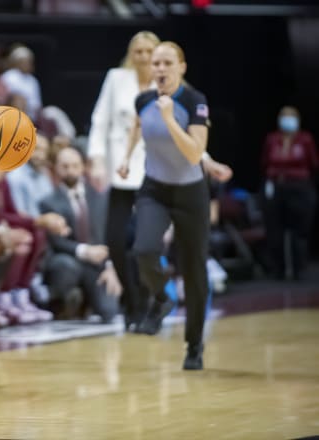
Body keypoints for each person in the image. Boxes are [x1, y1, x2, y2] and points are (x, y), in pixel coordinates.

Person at [117, 41, 211, 371]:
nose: (159, 68)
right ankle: (162, 297)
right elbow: (138, 127)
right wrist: (127, 158)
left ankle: (194, 345)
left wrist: (170, 118)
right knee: (143, 249)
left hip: (191, 194)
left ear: (181, 67)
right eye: (156, 63)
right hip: (154, 188)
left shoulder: (195, 102)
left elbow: (194, 154)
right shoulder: (144, 99)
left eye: (167, 62)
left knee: (196, 273)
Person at [87, 31, 160, 330]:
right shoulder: (116, 78)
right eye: (138, 51)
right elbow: (100, 119)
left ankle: (145, 303)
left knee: (146, 245)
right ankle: (132, 301)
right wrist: (96, 159)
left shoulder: (167, 84)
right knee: (115, 241)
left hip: (155, 171)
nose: (143, 56)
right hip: (121, 171)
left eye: (148, 51)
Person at [39, 147, 122, 321]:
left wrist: (111, 266)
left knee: (109, 312)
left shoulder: (100, 198)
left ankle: (86, 302)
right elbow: (56, 242)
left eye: (75, 166)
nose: (70, 170)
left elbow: (110, 235)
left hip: (98, 265)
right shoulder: (47, 202)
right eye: (65, 166)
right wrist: (85, 251)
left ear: (83, 167)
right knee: (65, 267)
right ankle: (64, 301)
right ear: (56, 168)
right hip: (69, 259)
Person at [260, 105, 318, 280]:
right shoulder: (272, 139)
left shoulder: (305, 139)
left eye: (291, 117)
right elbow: (264, 162)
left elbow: (314, 163)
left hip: (299, 187)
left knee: (298, 232)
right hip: (276, 187)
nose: (287, 120)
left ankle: (299, 270)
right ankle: (277, 270)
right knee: (275, 231)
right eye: (284, 116)